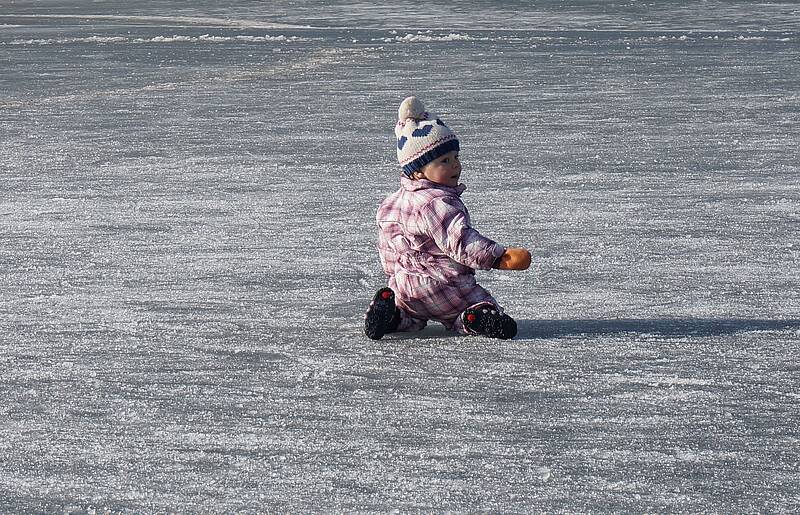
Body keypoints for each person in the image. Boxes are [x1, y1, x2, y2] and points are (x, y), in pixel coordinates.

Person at [364, 96, 531, 340]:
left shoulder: (390, 204)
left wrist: (394, 281)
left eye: (456, 158)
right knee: (472, 305)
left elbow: (388, 250)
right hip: (446, 285)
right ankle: (478, 317)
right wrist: (498, 258)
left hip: (406, 287)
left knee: (408, 316)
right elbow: (459, 241)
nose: (455, 166)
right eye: (444, 161)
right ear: (418, 170)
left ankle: (392, 316)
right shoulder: (437, 203)